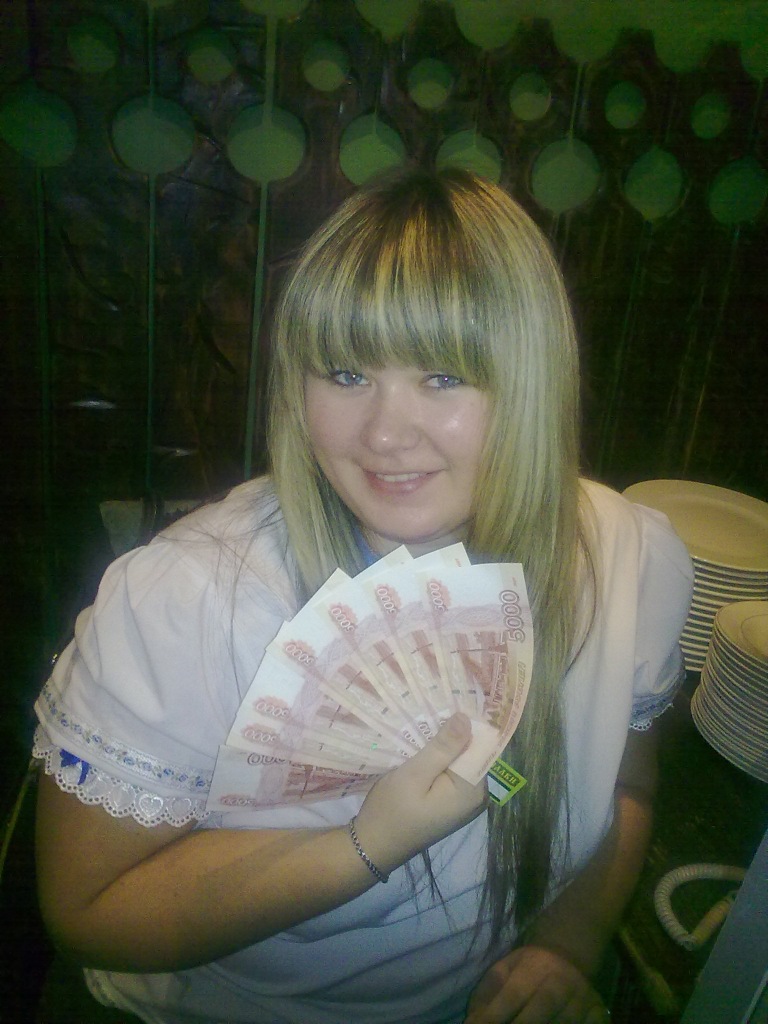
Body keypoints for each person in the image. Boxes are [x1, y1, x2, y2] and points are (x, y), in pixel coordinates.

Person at [33, 167, 693, 1024]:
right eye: (345, 373)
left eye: (444, 376)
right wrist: (364, 844)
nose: (384, 434)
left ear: (533, 381)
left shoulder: (624, 556)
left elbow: (628, 778)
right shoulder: (187, 604)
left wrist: (570, 941)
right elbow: (89, 914)